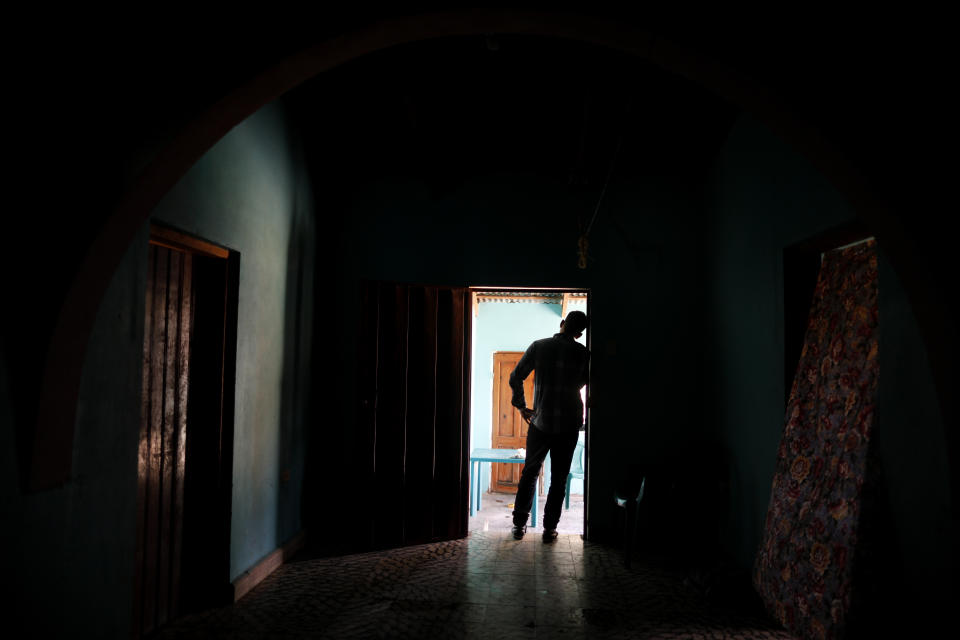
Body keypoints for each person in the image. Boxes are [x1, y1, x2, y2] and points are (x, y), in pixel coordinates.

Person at [509, 309, 590, 543]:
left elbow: (516, 376)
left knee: (530, 473)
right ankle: (549, 529)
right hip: (569, 423)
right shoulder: (583, 353)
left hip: (540, 422)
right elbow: (588, 382)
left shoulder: (539, 346)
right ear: (580, 333)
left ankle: (519, 525)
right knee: (559, 478)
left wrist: (521, 405)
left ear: (563, 324)